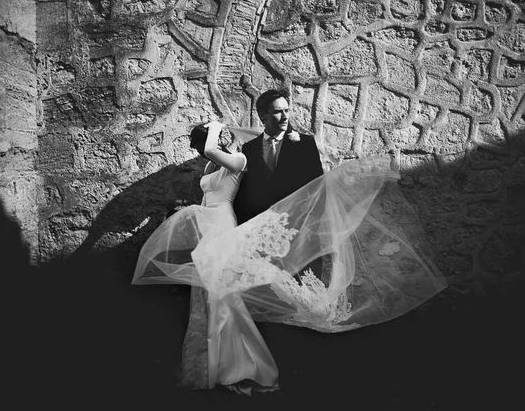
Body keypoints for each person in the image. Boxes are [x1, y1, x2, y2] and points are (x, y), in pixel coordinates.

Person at [133, 116, 447, 394]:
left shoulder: (238, 160)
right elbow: (208, 178)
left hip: (222, 225)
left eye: (204, 143)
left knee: (222, 295)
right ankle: (211, 364)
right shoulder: (210, 166)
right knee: (207, 296)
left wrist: (216, 128)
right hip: (207, 224)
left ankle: (242, 366)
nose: (203, 149)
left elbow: (215, 150)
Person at [233, 89, 325, 279]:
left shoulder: (305, 144)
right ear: (262, 115)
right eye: (277, 112)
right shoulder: (249, 149)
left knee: (304, 291)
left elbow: (318, 186)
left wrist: (312, 228)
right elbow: (246, 194)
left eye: (287, 110)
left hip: (299, 233)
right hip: (264, 236)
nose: (285, 117)